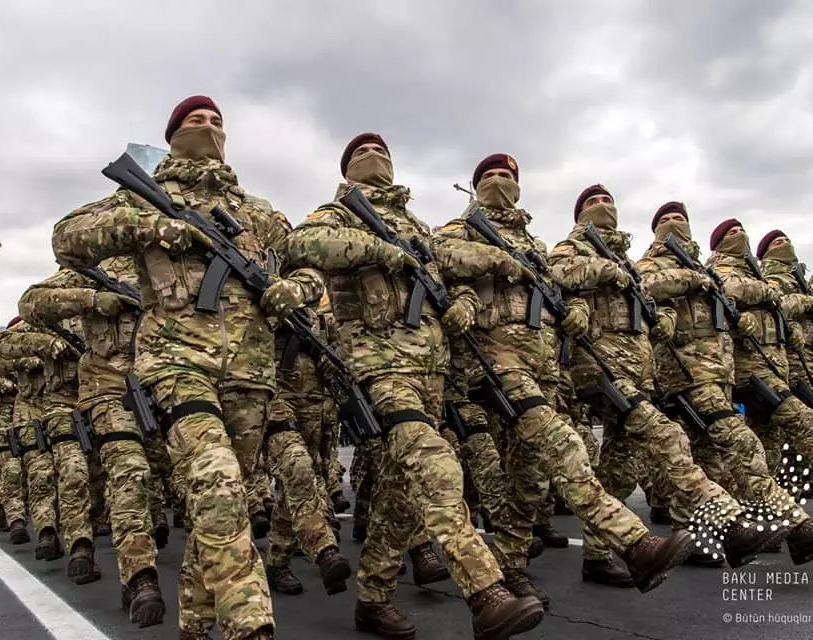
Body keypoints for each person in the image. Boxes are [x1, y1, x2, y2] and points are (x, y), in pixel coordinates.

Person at [54, 94, 317, 640]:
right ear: (173, 134)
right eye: (196, 120)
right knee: (219, 484)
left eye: (217, 120)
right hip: (177, 363)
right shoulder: (142, 198)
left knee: (218, 507)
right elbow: (67, 238)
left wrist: (296, 289)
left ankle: (194, 627)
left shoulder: (256, 211)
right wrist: (152, 227)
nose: (208, 126)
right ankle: (251, 624)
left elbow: (309, 265)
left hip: (250, 374)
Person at [284, 134, 545, 640]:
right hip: (376, 366)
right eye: (361, 152)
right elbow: (298, 245)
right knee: (436, 465)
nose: (373, 156)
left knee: (401, 492)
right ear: (346, 169)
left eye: (381, 150)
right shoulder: (337, 215)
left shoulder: (418, 227)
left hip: (430, 372)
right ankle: (486, 592)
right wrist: (379, 249)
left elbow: (449, 270)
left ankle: (373, 598)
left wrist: (461, 302)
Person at [434, 155, 695, 592]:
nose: (499, 181)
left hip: (542, 367)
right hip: (493, 362)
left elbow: (556, 287)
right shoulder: (462, 229)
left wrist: (573, 309)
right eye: (490, 176)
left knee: (530, 478)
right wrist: (500, 260)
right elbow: (441, 256)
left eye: (506, 176)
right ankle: (633, 542)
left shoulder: (533, 243)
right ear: (476, 188)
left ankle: (510, 569)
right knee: (565, 445)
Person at [544, 185, 787, 570]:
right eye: (593, 202)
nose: (603, 206)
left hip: (641, 372)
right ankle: (728, 524)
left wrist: (663, 318)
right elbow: (556, 274)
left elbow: (647, 301)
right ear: (579, 215)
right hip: (601, 367)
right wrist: (609, 272)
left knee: (621, 469)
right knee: (669, 437)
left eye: (608, 200)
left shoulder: (625, 259)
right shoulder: (576, 248)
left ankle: (599, 554)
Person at [638, 208, 813, 565]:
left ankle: (700, 537)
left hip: (721, 374)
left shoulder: (702, 269)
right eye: (668, 218)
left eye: (681, 216)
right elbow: (647, 288)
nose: (676, 221)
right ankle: (796, 527)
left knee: (709, 459)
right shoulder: (660, 264)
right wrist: (692, 280)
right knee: (741, 444)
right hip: (685, 373)